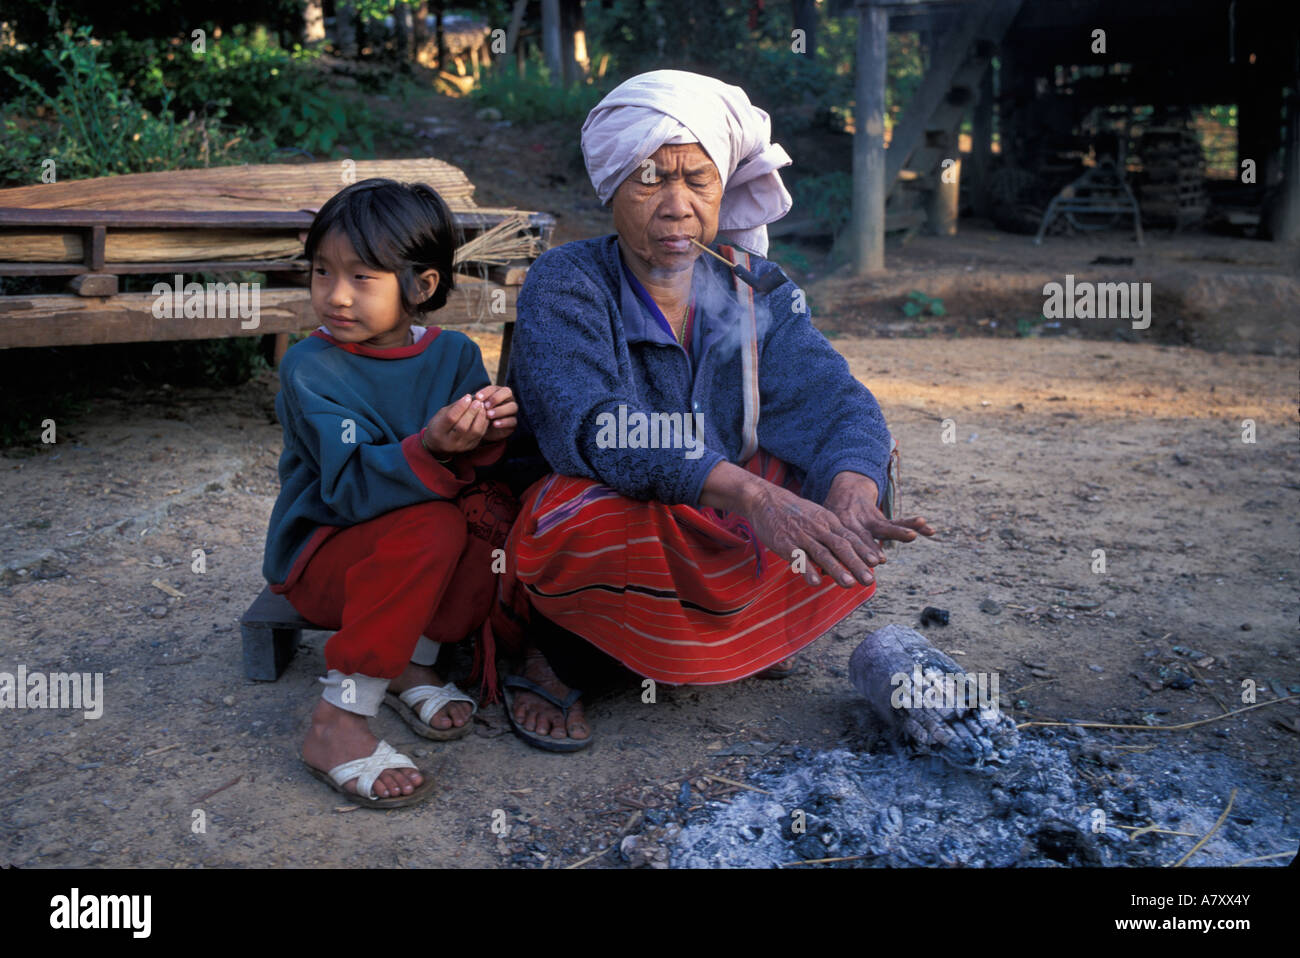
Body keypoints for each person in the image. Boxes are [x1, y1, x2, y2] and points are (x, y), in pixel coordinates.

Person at [493, 70, 935, 751]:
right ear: (611, 189)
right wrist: (754, 496)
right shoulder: (566, 281)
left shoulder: (752, 284)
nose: (676, 206)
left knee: (852, 461)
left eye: (697, 181)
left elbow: (835, 399)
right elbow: (601, 427)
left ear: (722, 188)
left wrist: (853, 489)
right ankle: (559, 657)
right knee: (589, 515)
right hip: (620, 509)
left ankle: (723, 630)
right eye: (650, 179)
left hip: (711, 504)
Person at [263, 178, 518, 807]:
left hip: (407, 563)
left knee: (490, 512)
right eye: (322, 272)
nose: (335, 295)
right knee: (430, 526)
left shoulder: (454, 355)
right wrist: (429, 447)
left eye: (362, 277)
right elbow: (348, 490)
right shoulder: (310, 368)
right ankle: (339, 722)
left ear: (421, 285)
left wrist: (488, 430)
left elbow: (474, 471)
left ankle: (409, 662)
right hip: (325, 559)